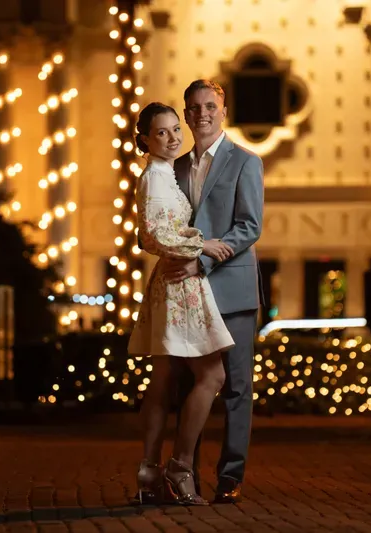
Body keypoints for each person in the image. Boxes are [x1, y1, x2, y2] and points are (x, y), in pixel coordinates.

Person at [127, 102, 236, 506]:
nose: (173, 138)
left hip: (172, 280)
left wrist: (190, 244)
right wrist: (201, 245)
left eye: (176, 129)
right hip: (179, 284)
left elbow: (151, 234)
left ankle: (149, 472)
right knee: (212, 376)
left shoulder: (163, 173)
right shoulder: (154, 177)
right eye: (162, 132)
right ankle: (180, 467)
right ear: (145, 139)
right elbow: (154, 234)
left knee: (163, 380)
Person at [163, 80, 264, 504]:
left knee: (237, 388)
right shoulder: (174, 168)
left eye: (209, 106)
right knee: (194, 386)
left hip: (233, 289)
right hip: (189, 293)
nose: (201, 113)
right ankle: (187, 474)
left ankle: (230, 476)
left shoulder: (246, 161)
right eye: (194, 107)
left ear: (223, 111)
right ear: (186, 115)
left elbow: (250, 225)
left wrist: (202, 259)